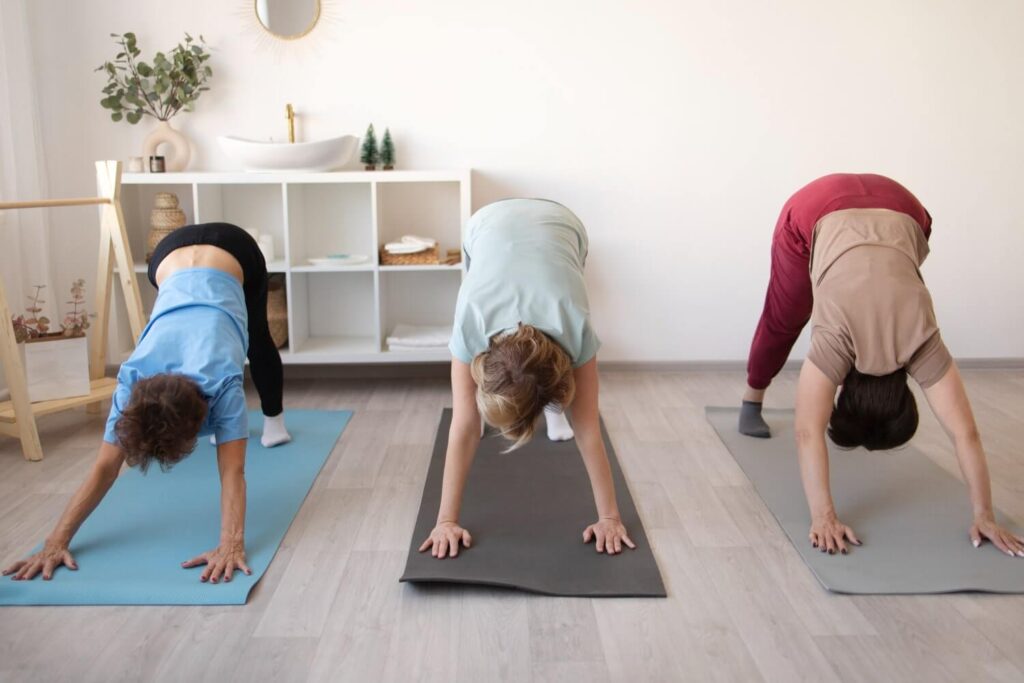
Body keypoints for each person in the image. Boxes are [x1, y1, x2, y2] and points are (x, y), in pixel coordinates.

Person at [740, 174, 1023, 557]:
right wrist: (823, 516)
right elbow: (808, 431)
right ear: (844, 390)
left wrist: (985, 513)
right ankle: (752, 397)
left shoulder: (922, 342)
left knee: (880, 265)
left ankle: (754, 396)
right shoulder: (839, 343)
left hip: (906, 207)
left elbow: (966, 434)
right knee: (786, 315)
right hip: (815, 209)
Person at [3, 222, 292, 583]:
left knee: (258, 339)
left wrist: (231, 545)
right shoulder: (131, 381)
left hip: (233, 248)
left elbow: (232, 472)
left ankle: (274, 422)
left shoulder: (223, 384)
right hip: (167, 255)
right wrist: (54, 541)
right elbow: (105, 468)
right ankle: (239, 427)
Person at [418, 198, 635, 559]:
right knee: (504, 397)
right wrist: (445, 520)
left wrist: (610, 517)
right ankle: (545, 403)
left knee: (562, 398)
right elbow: (465, 427)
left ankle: (551, 408)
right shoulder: (471, 320)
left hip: (563, 224)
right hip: (485, 225)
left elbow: (587, 429)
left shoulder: (574, 324)